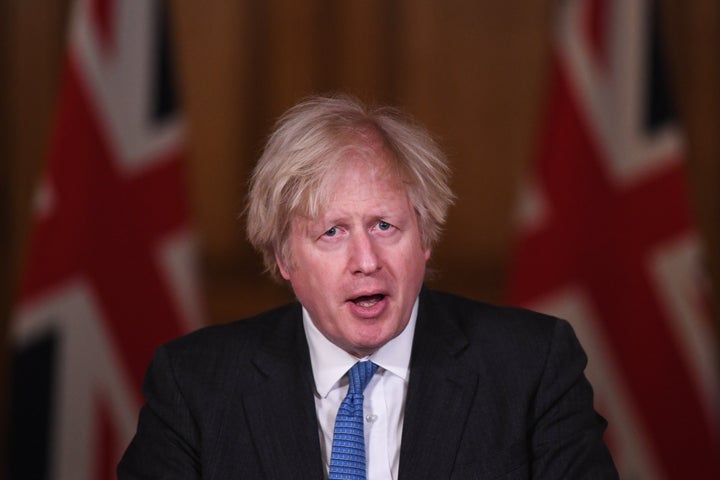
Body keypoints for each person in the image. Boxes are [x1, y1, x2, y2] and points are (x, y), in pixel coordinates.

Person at [118, 94, 618, 479]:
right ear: (283, 257)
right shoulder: (195, 385)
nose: (365, 261)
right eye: (332, 232)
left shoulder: (533, 366)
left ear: (425, 237)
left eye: (384, 226)